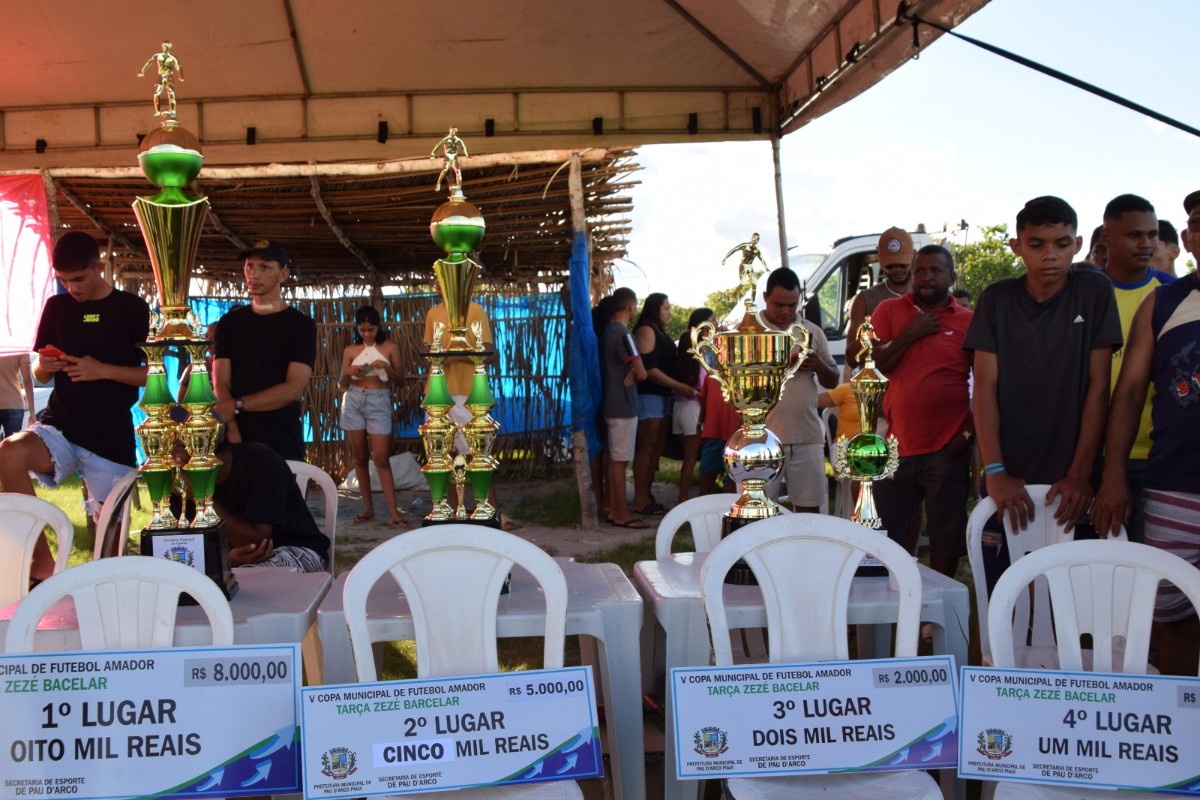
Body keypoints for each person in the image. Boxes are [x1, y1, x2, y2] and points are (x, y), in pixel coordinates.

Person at [963, 196, 1122, 591]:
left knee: (1072, 601)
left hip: (1073, 476)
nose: (1050, 255)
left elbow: (1098, 386)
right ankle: (993, 657)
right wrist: (995, 471)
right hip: (1008, 472)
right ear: (1017, 246)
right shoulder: (996, 299)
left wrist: (1081, 474)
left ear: (1078, 243)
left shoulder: (1094, 290)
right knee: (1000, 592)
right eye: (1036, 244)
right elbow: (984, 386)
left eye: (1062, 243)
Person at [1093, 189, 1200, 675]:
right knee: (1172, 618)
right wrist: (1114, 474)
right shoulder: (1163, 303)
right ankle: (1178, 729)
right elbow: (1130, 395)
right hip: (1175, 485)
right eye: (1198, 222)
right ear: (1190, 238)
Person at [0, 232, 149, 580]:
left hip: (109, 434)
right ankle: (41, 567)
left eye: (78, 279)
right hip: (60, 425)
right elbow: (39, 369)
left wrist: (103, 371)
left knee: (110, 553)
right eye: (64, 280)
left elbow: (151, 376)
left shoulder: (132, 308)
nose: (72, 288)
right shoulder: (57, 306)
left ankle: (105, 600)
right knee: (8, 452)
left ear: (99, 267)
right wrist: (45, 367)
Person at [871, 244, 974, 577]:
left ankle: (934, 622)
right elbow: (878, 365)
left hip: (948, 448)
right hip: (897, 446)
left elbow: (986, 383)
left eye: (936, 271)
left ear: (952, 277)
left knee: (945, 542)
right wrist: (910, 334)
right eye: (921, 271)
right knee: (887, 540)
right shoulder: (889, 311)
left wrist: (967, 435)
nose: (927, 277)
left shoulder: (969, 321)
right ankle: (897, 606)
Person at [1100, 193, 1172, 542]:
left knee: (1150, 575)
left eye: (1152, 234)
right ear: (1106, 237)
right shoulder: (1086, 295)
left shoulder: (1173, 295)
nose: (1146, 243)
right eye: (1134, 235)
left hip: (1156, 458)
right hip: (1091, 459)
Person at [213, 240, 316, 463]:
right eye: (250, 266)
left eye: (264, 267)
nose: (254, 274)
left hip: (282, 436)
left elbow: (292, 389)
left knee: (283, 497)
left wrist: (236, 405)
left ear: (283, 274)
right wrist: (232, 428)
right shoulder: (229, 323)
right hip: (235, 438)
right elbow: (220, 381)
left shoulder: (302, 325)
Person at [173, 433, 329, 572]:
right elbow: (181, 543)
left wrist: (201, 497)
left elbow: (257, 542)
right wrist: (224, 560)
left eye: (178, 446)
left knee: (249, 579)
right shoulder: (181, 477)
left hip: (293, 549)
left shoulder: (262, 460)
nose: (173, 454)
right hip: (232, 559)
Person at [761, 267, 839, 512]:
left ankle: (805, 552)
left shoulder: (812, 332)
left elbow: (834, 380)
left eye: (792, 305)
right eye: (779, 305)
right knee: (758, 515)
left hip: (807, 437)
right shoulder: (748, 332)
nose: (786, 311)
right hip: (761, 439)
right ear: (765, 298)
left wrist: (818, 365)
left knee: (809, 513)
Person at [338, 306, 406, 528]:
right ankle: (368, 508)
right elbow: (341, 385)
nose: (366, 334)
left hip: (379, 399)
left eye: (371, 329)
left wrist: (386, 366)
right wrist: (346, 373)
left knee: (381, 458)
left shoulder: (390, 347)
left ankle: (394, 513)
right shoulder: (350, 350)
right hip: (354, 399)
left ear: (379, 327)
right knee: (359, 457)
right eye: (362, 329)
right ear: (357, 328)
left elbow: (401, 381)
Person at [631, 293, 697, 516]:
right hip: (649, 396)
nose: (669, 312)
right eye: (666, 308)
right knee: (647, 447)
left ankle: (646, 495)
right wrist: (678, 386)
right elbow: (649, 369)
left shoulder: (658, 331)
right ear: (654, 309)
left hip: (663, 396)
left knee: (656, 448)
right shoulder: (647, 331)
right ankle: (639, 498)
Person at [600, 288, 648, 528]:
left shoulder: (608, 331)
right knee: (620, 461)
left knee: (614, 460)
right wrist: (635, 371)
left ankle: (614, 508)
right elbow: (642, 371)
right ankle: (621, 514)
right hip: (624, 405)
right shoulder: (624, 334)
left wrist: (631, 370)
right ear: (631, 307)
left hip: (611, 403)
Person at [846, 227, 914, 370]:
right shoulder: (865, 299)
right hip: (882, 384)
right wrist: (879, 340)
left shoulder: (926, 295)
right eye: (890, 266)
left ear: (913, 257)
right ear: (880, 261)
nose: (896, 270)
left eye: (902, 264)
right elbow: (852, 357)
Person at [673, 308, 712, 504]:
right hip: (693, 409)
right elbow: (703, 388)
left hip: (678, 409)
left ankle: (683, 499)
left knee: (688, 458)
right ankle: (683, 501)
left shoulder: (684, 352)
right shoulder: (701, 355)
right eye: (711, 322)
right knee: (690, 459)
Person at [137, 41, 184, 118]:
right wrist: (142, 71)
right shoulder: (158, 56)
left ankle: (172, 111)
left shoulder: (172, 58)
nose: (163, 47)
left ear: (169, 47)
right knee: (156, 94)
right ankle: (157, 111)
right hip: (161, 76)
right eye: (162, 46)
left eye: (165, 46)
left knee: (171, 94)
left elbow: (178, 67)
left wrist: (181, 76)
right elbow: (149, 62)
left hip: (169, 76)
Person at [0, 353, 35, 438]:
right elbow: (27, 380)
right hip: (14, 403)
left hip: (13, 404)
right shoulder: (20, 346)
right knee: (12, 447)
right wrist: (32, 413)